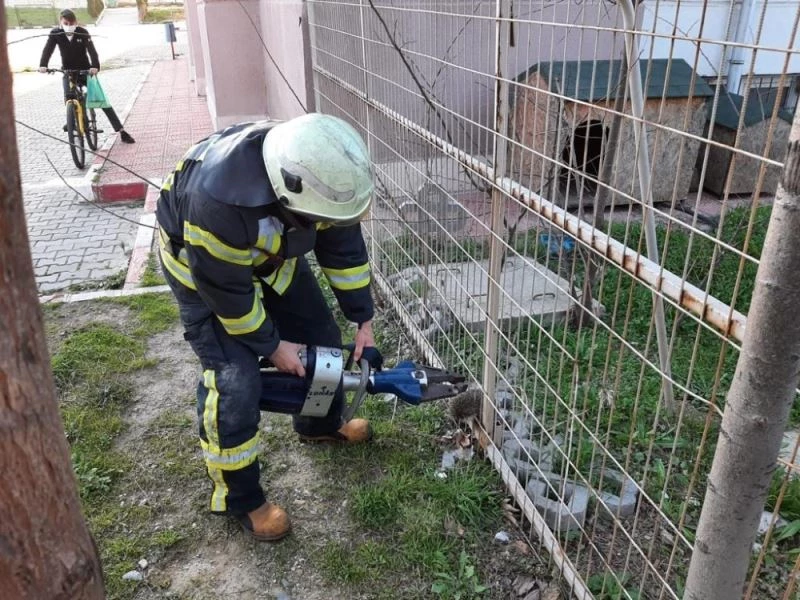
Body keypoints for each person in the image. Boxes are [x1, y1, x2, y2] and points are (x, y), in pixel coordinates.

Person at [155, 113, 378, 541]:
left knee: (324, 345)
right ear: (285, 191)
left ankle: (318, 425)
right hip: (205, 276)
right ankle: (243, 499)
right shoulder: (215, 203)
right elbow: (230, 298)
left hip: (269, 257)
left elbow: (343, 248)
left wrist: (361, 316)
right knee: (234, 382)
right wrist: (274, 348)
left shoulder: (316, 170)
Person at [38, 9, 135, 144]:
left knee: (101, 100)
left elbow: (92, 51)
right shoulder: (56, 33)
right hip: (68, 72)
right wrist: (43, 65)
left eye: (71, 23)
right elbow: (48, 49)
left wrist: (94, 66)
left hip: (85, 71)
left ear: (76, 22)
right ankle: (71, 121)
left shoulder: (82, 32)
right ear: (61, 21)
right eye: (66, 23)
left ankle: (121, 131)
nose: (69, 25)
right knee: (68, 96)